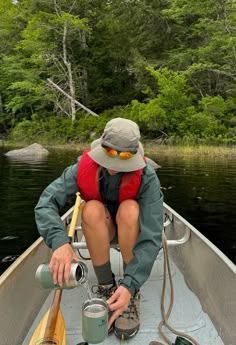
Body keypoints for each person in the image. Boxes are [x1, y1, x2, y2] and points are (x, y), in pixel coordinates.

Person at [35, 117, 163, 340]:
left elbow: (152, 235)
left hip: (132, 229)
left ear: (133, 154)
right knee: (91, 209)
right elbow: (45, 203)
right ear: (102, 147)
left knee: (130, 209)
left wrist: (130, 285)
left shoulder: (147, 178)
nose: (114, 167)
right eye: (110, 155)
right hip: (101, 227)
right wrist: (60, 242)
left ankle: (128, 292)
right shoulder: (81, 168)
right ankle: (106, 285)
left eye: (123, 158)